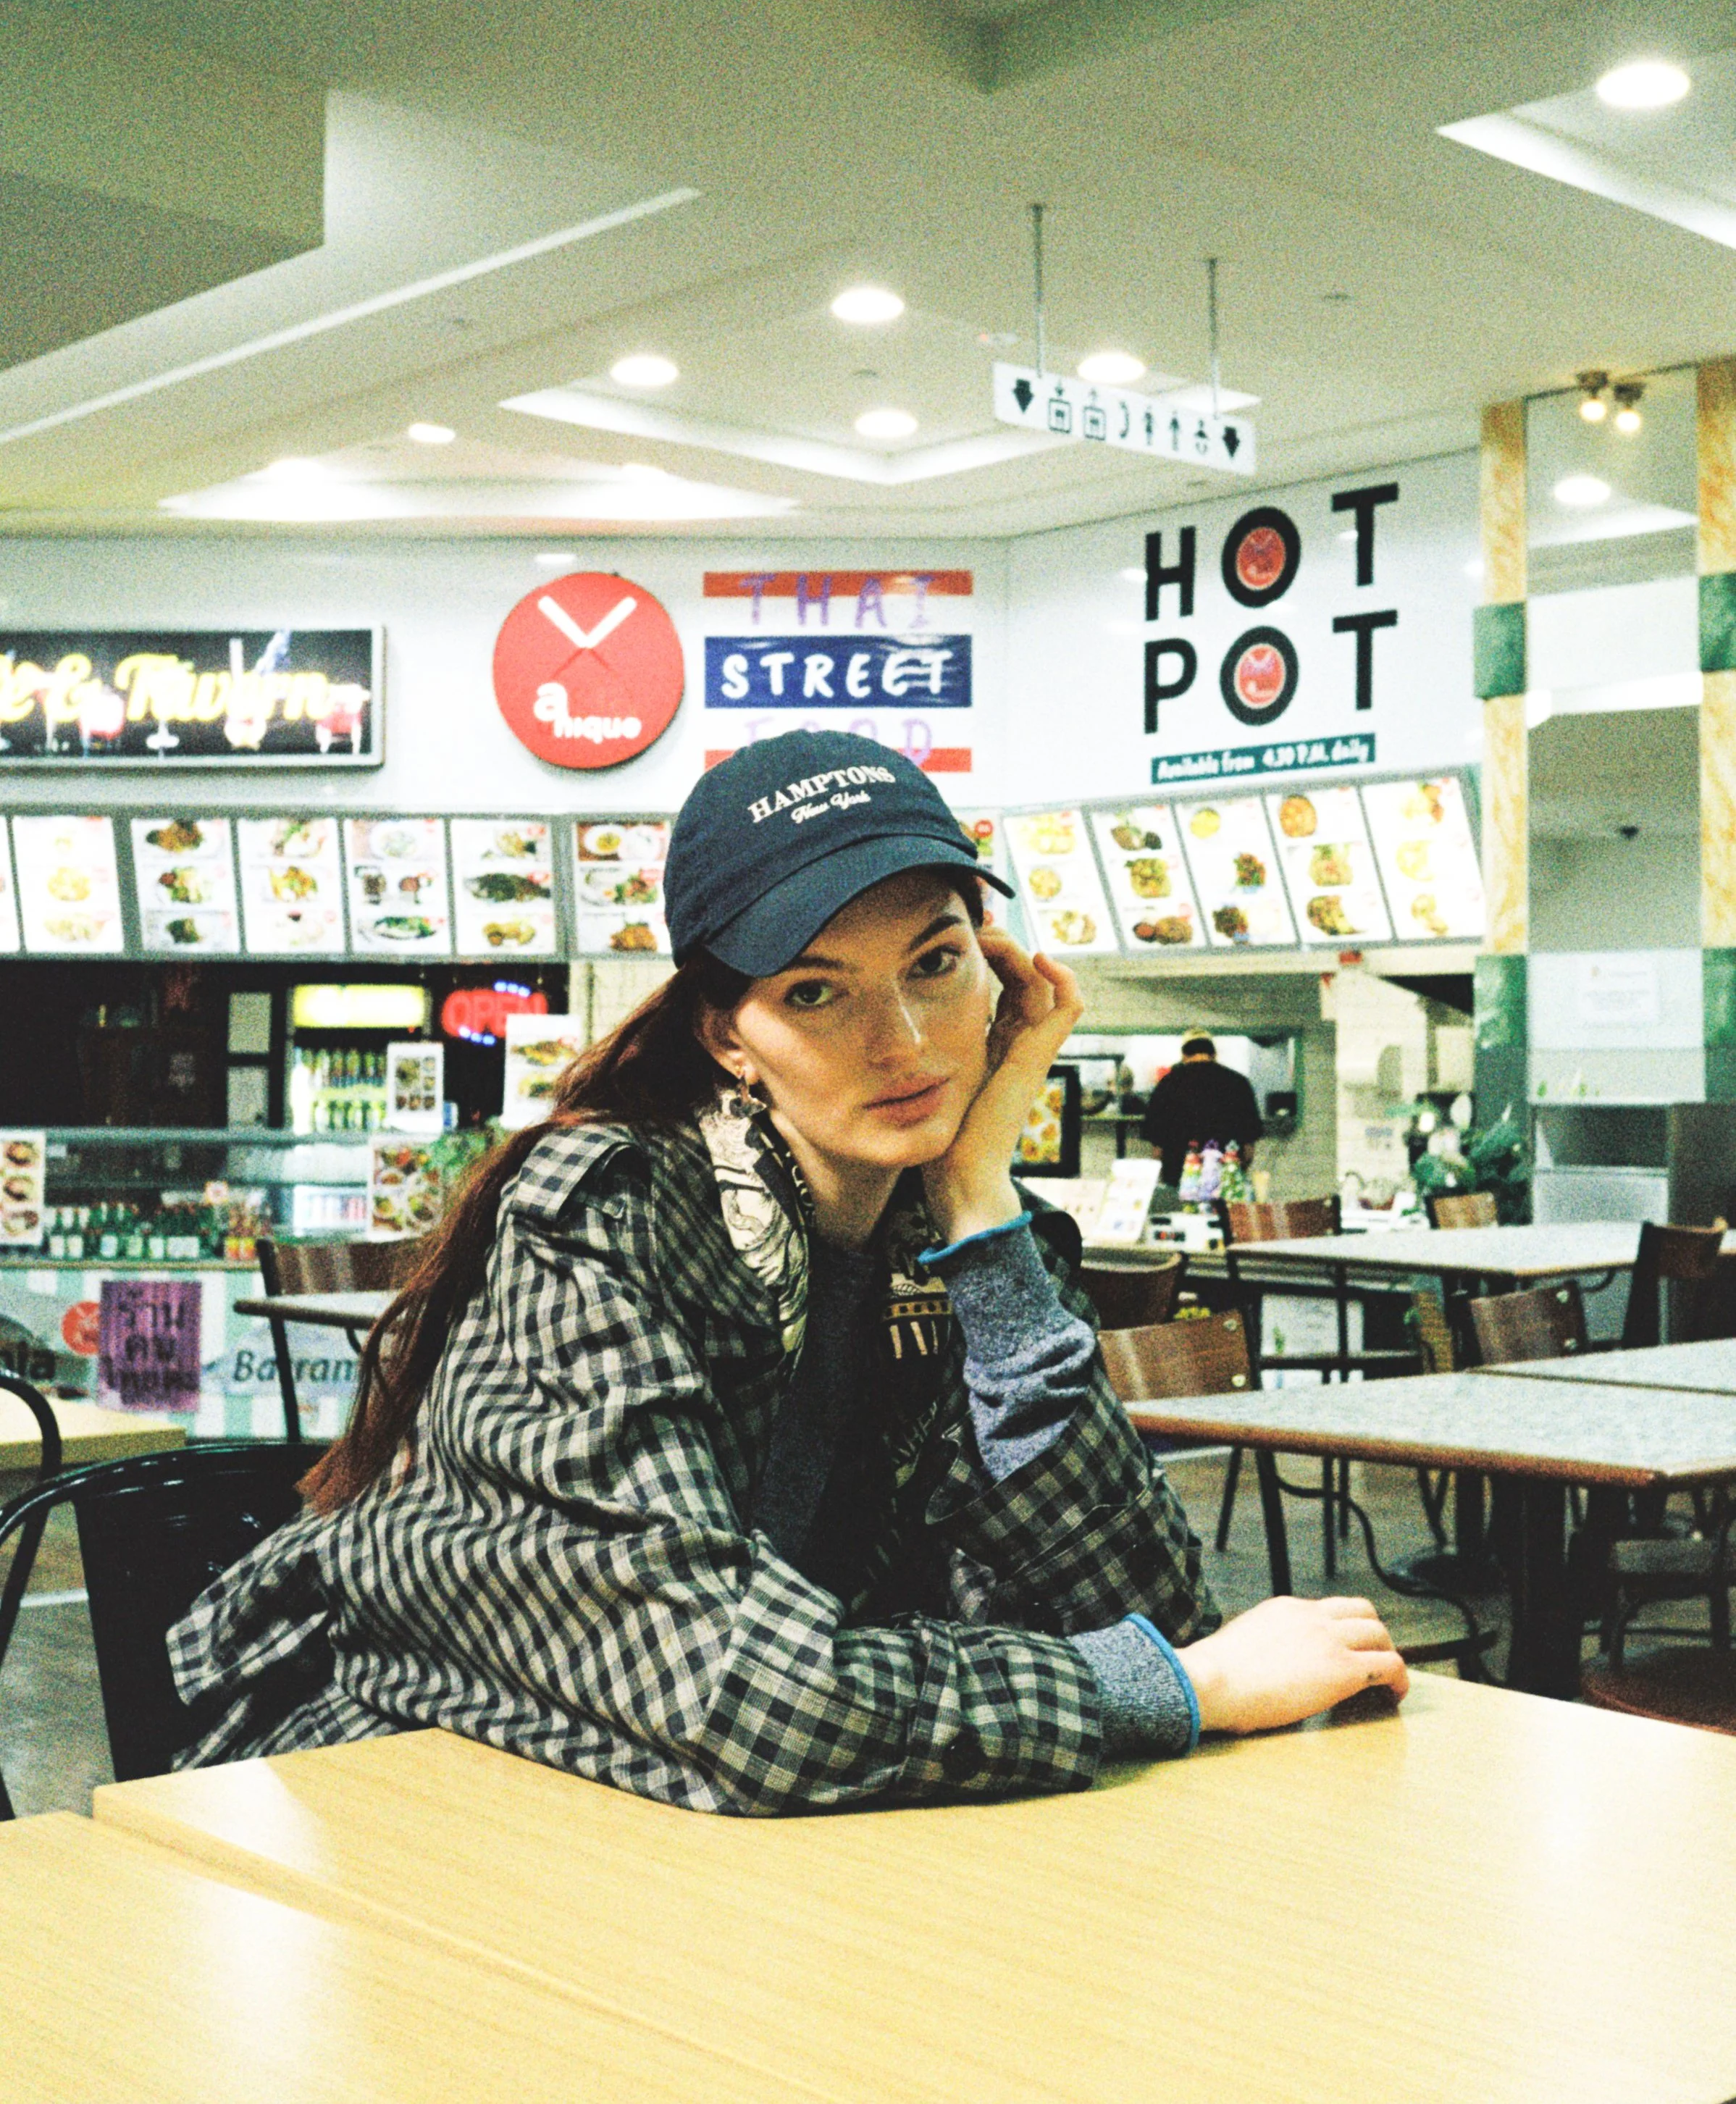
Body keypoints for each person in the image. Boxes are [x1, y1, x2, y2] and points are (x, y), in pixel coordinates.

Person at [170, 734, 1404, 1814]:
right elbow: (740, 1690)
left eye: (934, 962)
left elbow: (1138, 1597)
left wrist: (979, 1200)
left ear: (1003, 970)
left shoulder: (948, 1226)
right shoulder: (602, 1212)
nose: (904, 1040)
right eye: (816, 991)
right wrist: (1169, 1687)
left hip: (694, 1826)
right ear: (725, 1032)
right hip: (401, 1808)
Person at [1142, 1034, 1265, 1186]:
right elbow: (1248, 1148)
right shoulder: (1238, 1083)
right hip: (1226, 1173)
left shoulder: (1167, 1084)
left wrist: (1165, 1175)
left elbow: (1157, 1148)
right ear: (1214, 1055)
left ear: (1184, 1056)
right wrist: (1239, 1170)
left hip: (1180, 1173)